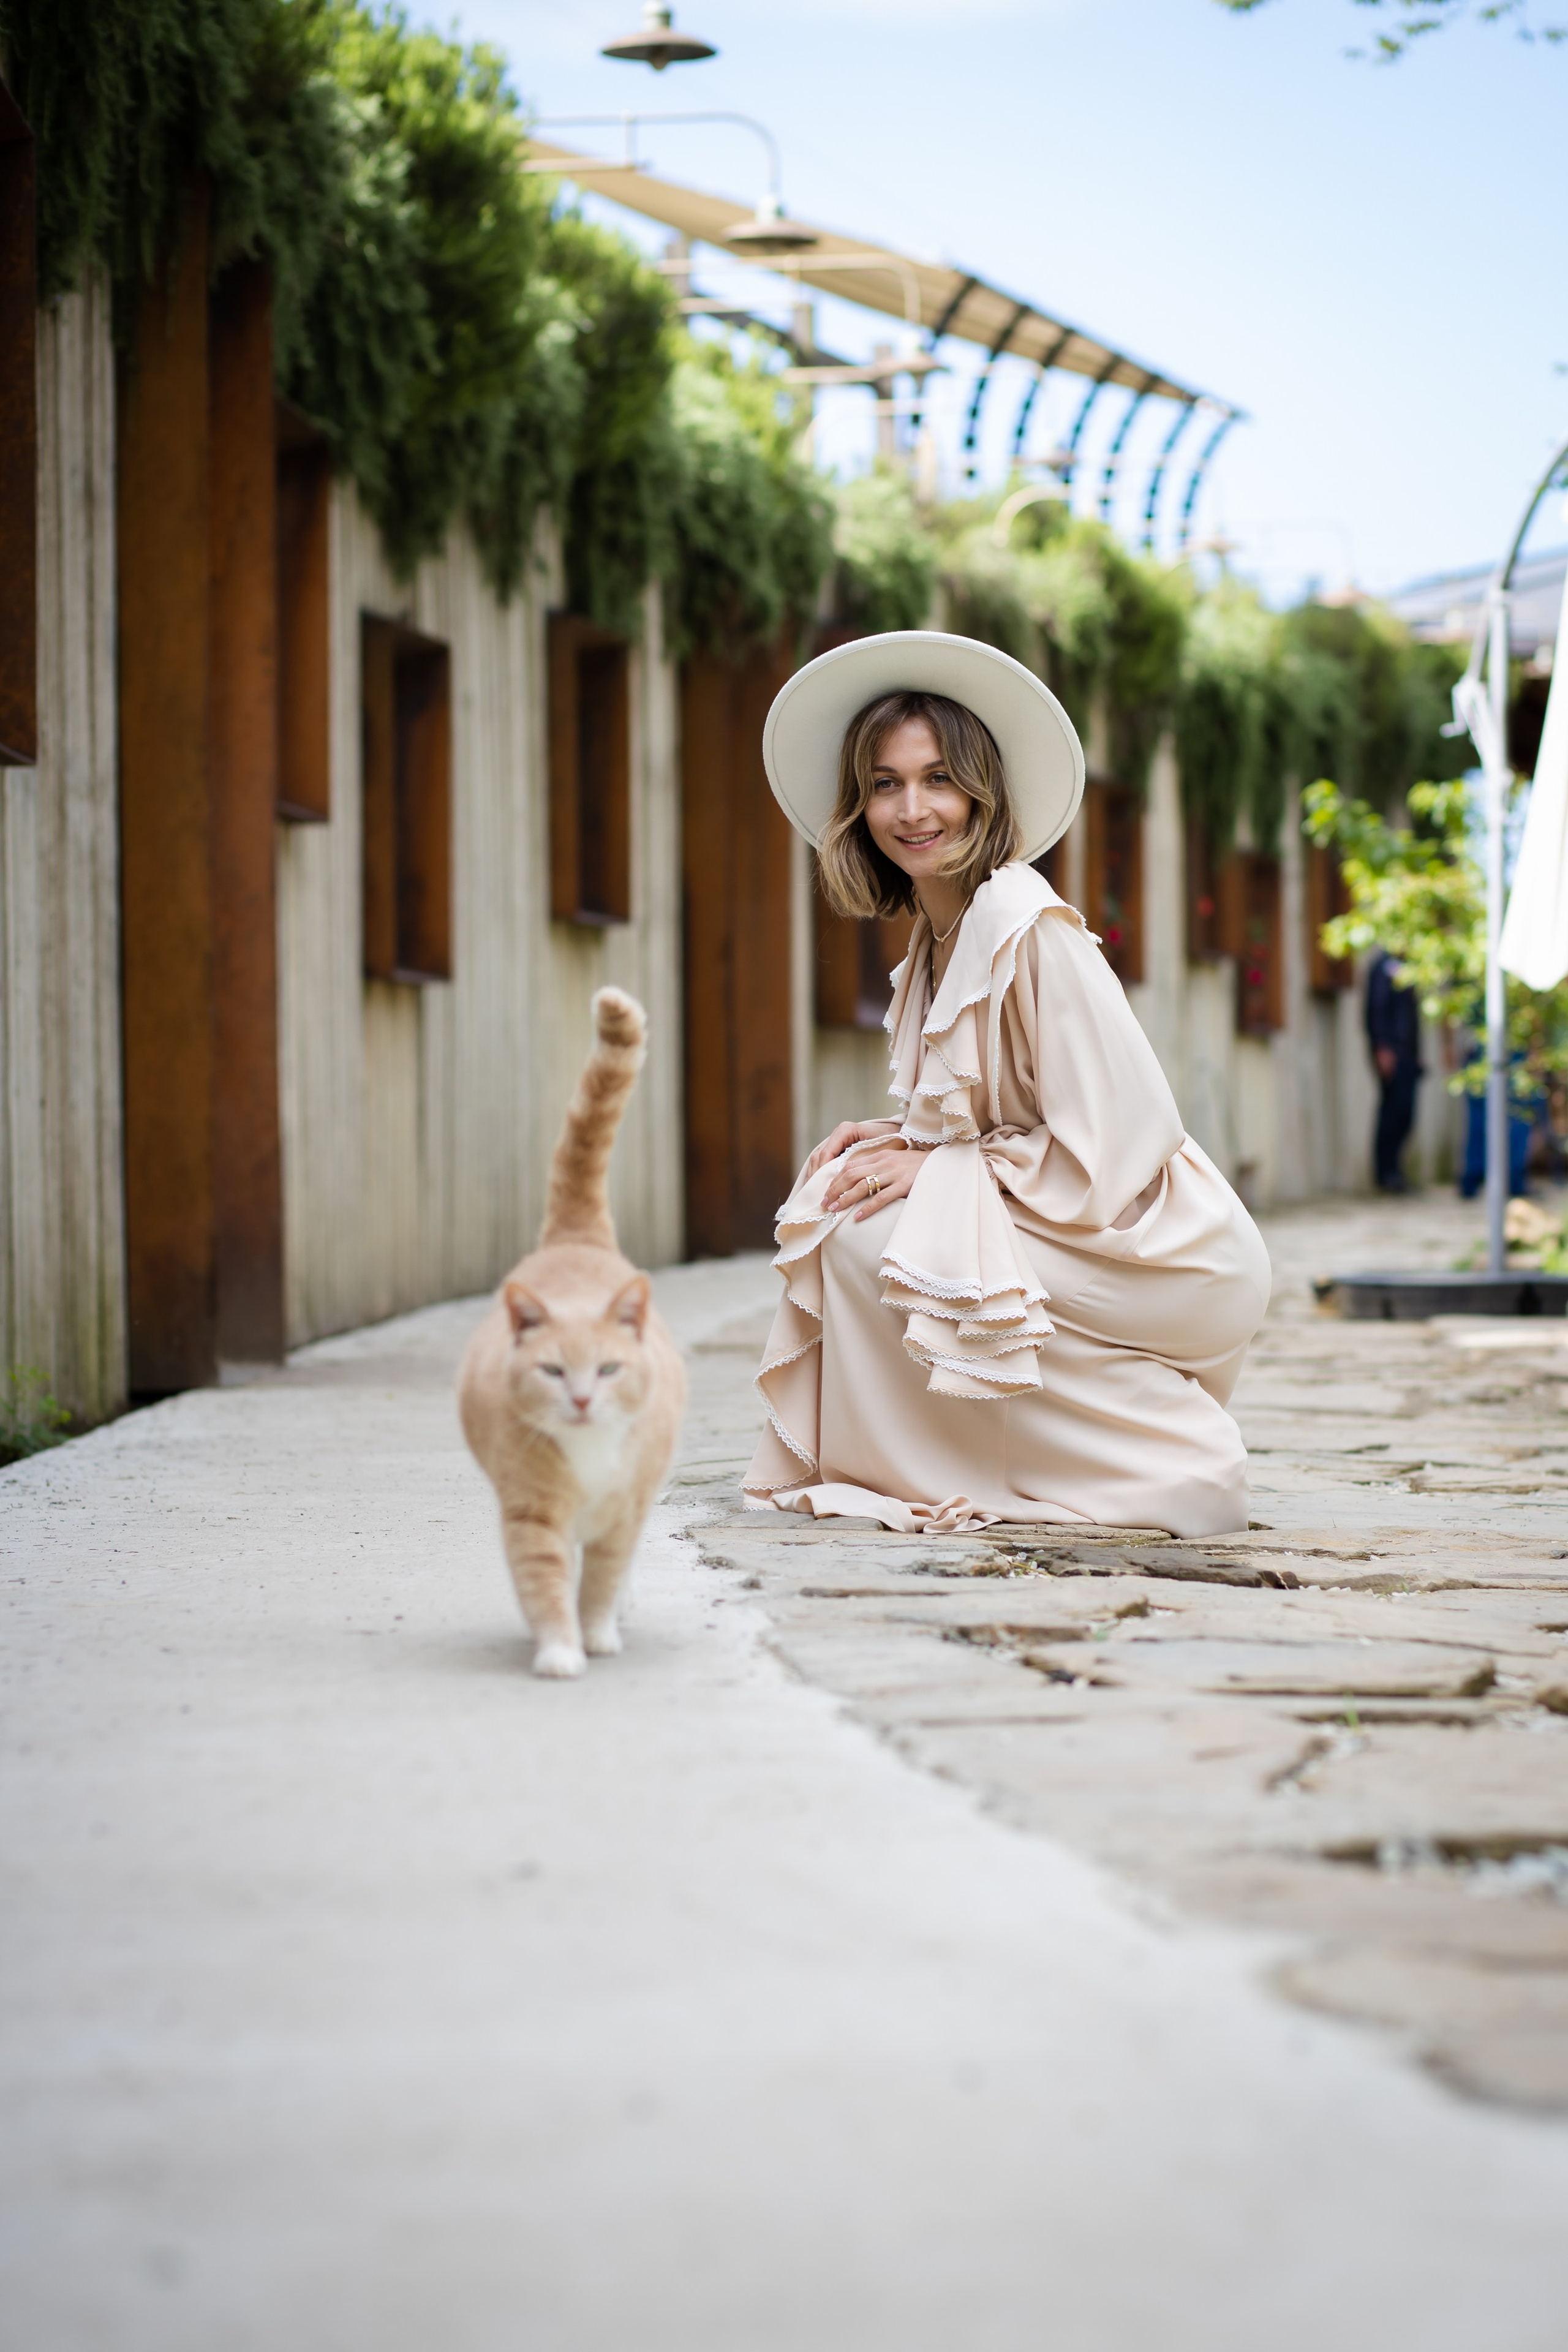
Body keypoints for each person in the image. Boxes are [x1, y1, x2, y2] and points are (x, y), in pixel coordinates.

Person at [743, 631, 1272, 1540]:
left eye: (938, 779)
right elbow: (991, 1113)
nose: (912, 809)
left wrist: (940, 1174)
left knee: (885, 1245)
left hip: (1149, 1237)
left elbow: (1119, 1142)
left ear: (980, 790)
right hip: (1071, 1212)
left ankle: (1173, 1461)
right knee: (841, 1208)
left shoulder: (1028, 927)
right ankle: (954, 1464)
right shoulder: (938, 938)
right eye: (884, 783)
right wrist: (899, 1141)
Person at [1364, 948, 1422, 1193]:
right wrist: (1382, 1047)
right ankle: (1386, 1174)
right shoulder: (1383, 967)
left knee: (1404, 1115)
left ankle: (1395, 1171)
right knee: (1393, 1113)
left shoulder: (1405, 965)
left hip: (1407, 1054)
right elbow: (1376, 1009)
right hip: (1393, 1053)